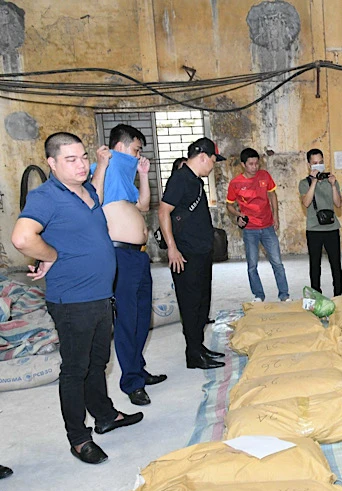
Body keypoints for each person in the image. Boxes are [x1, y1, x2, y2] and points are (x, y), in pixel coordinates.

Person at [12, 132, 143, 464]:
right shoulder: (45, 197)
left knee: (98, 363)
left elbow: (95, 194)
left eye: (83, 156)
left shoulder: (85, 192)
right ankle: (78, 438)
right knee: (75, 369)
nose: (80, 164)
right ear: (52, 163)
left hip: (100, 296)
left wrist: (99, 166)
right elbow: (23, 238)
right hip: (73, 300)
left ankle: (104, 415)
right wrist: (51, 255)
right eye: (71, 159)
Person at [92, 124, 166, 408]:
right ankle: (131, 383)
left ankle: (138, 369)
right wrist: (104, 161)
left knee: (141, 318)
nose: (138, 156)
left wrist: (144, 176)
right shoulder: (108, 170)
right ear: (120, 148)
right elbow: (93, 198)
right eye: (136, 150)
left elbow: (144, 207)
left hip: (138, 255)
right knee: (127, 320)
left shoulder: (124, 177)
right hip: (120, 256)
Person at [158, 137, 226, 370]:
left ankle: (198, 346)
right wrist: (172, 248)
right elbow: (163, 212)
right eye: (214, 160)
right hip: (186, 254)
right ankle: (193, 355)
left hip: (200, 252)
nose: (213, 165)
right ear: (203, 157)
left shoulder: (195, 180)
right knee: (190, 304)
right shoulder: (181, 178)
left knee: (201, 303)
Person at [226, 148, 289, 302]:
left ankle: (284, 294)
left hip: (267, 226)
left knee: (277, 262)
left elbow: (272, 195)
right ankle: (258, 295)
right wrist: (238, 215)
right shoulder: (236, 183)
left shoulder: (265, 176)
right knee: (252, 265)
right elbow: (229, 205)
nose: (254, 167)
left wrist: (276, 216)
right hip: (250, 230)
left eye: (256, 164)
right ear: (243, 164)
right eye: (251, 164)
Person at [299, 148, 342, 296]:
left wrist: (332, 185)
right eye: (315, 163)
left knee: (335, 264)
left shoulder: (331, 181)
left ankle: (338, 295)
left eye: (321, 162)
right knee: (315, 265)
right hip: (314, 229)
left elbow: (338, 204)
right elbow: (306, 202)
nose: (318, 166)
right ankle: (317, 295)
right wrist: (314, 182)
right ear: (309, 165)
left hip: (332, 228)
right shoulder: (304, 183)